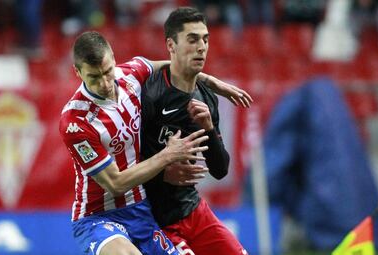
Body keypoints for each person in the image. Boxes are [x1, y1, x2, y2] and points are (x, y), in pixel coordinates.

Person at [59, 31, 248, 255]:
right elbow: (116, 183)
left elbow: (171, 66)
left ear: (114, 58)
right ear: (78, 72)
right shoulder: (75, 121)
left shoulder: (130, 74)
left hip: (141, 211)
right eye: (94, 77)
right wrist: (168, 155)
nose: (104, 83)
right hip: (98, 216)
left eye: (108, 71)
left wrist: (209, 80)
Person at [141, 7, 251, 255]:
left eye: (205, 39)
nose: (201, 47)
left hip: (192, 208)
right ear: (171, 45)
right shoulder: (150, 94)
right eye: (192, 39)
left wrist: (209, 129)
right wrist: (162, 171)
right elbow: (122, 163)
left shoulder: (207, 98)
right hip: (154, 218)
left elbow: (220, 170)